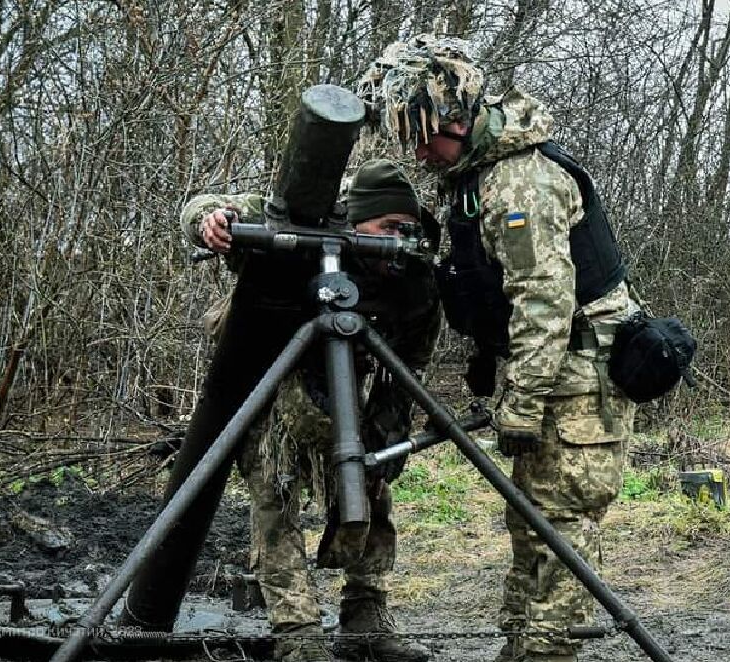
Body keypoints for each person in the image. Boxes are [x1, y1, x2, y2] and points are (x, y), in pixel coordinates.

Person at [357, 36, 637, 662]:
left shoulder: (521, 184)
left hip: (579, 377)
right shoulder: (473, 179)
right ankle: (521, 647)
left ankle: (543, 653)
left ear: (455, 120)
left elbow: (544, 302)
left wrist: (523, 404)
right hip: (550, 372)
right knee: (531, 523)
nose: (417, 152)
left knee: (559, 530)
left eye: (421, 136)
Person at [180, 160, 439, 662]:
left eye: (407, 228)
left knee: (373, 485)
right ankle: (297, 631)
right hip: (270, 377)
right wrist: (211, 221)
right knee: (275, 496)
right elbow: (205, 207)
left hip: (347, 378)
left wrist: (389, 428)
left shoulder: (410, 275)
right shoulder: (305, 227)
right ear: (357, 220)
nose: (399, 240)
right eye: (387, 227)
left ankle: (366, 616)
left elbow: (412, 356)